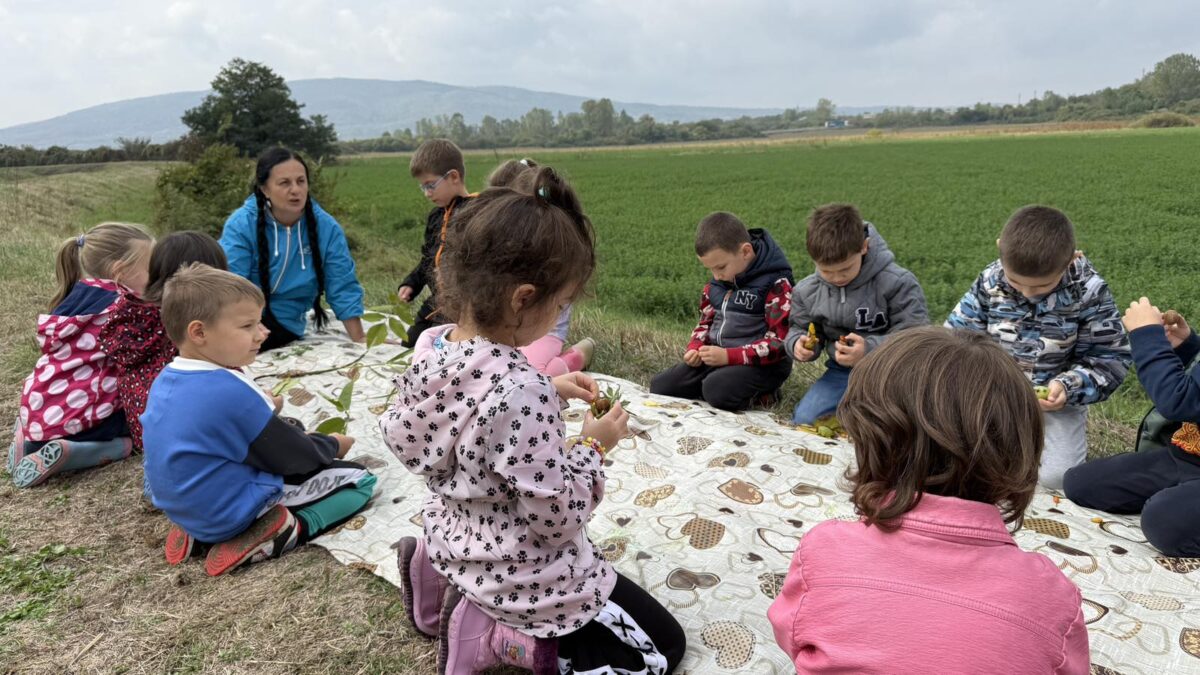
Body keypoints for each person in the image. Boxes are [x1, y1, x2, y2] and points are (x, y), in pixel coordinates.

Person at [381, 167, 686, 674]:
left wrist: (549, 388)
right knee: (660, 650)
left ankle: (436, 574)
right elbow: (556, 518)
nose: (561, 313)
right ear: (524, 298)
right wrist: (593, 446)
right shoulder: (521, 391)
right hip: (517, 573)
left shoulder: (433, 347)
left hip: (453, 537)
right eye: (561, 303)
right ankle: (499, 637)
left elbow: (454, 421)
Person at [768, 327, 1089, 674]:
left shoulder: (825, 549)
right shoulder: (1053, 596)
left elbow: (792, 637)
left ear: (870, 441)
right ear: (1021, 451)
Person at [140, 264, 376, 576]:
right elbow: (291, 456)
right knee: (359, 480)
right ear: (199, 333)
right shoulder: (228, 390)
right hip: (228, 513)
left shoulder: (165, 380)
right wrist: (331, 444)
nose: (262, 333)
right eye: (247, 326)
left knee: (285, 429)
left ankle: (197, 531)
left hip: (184, 506)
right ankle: (286, 529)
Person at [946, 205, 1130, 489]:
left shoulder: (1090, 292)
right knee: (965, 463)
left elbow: (1109, 358)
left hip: (1056, 406)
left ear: (1072, 259)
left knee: (1056, 478)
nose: (1027, 293)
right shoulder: (989, 281)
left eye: (1042, 286)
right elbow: (957, 339)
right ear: (1000, 248)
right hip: (992, 397)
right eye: (1015, 282)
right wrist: (977, 384)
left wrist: (1068, 387)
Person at [10, 222, 153, 488]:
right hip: (83, 422)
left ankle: (28, 441)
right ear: (120, 271)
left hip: (40, 413)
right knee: (138, 431)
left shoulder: (75, 297)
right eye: (151, 270)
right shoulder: (126, 307)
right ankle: (74, 453)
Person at [1064, 299, 1200, 557]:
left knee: (1165, 522)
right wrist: (1188, 347)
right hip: (1189, 455)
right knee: (1081, 483)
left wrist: (1147, 336)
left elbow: (1178, 400)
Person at [784, 203, 927, 425]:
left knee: (895, 426)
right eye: (826, 271)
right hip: (842, 372)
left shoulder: (897, 282)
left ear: (864, 247)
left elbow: (916, 336)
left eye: (845, 269)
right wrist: (798, 344)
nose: (837, 278)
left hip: (893, 373)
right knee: (805, 420)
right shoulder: (807, 291)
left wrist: (868, 350)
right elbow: (799, 327)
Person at [219, 146, 365, 351]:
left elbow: (342, 284)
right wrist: (249, 326)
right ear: (264, 189)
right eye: (284, 183)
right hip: (241, 322)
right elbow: (230, 284)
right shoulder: (241, 224)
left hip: (285, 326)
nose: (295, 190)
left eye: (301, 181)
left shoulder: (327, 228)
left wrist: (359, 338)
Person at [98, 231, 230, 453]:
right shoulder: (188, 321)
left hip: (147, 434)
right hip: (189, 435)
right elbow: (225, 372)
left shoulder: (130, 312)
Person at [649, 211, 794, 411]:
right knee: (661, 386)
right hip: (719, 357)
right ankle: (713, 382)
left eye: (721, 267)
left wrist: (729, 356)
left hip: (763, 365)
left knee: (716, 391)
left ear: (745, 252)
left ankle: (766, 395)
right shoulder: (718, 283)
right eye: (710, 270)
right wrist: (695, 346)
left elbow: (779, 343)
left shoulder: (776, 284)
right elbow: (705, 322)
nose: (716, 276)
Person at [485, 157, 594, 375]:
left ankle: (582, 353)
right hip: (508, 326)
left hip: (543, 328)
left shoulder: (550, 240)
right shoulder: (492, 237)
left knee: (533, 375)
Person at [397, 139, 473, 347]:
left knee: (446, 349)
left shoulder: (477, 212)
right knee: (410, 344)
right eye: (422, 187)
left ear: (454, 176)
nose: (427, 193)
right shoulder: (435, 216)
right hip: (436, 302)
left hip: (466, 306)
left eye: (430, 185)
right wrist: (411, 283)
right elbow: (428, 259)